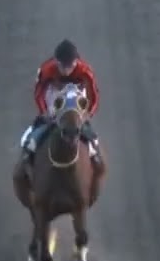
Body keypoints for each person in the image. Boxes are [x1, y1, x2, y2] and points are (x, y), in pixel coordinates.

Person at [18, 39, 102, 172]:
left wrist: (88, 113)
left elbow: (94, 94)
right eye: (63, 66)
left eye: (71, 66)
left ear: (76, 62)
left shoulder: (85, 70)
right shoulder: (47, 69)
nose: (67, 70)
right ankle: (30, 147)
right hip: (54, 92)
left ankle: (93, 149)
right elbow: (39, 93)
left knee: (78, 119)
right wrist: (44, 111)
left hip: (77, 92)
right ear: (56, 62)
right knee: (47, 121)